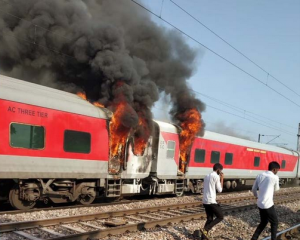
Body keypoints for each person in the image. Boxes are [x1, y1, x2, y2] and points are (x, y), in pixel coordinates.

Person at [251, 161, 280, 240]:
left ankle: (254, 238)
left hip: (260, 203)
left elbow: (253, 189)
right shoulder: (275, 177)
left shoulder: (259, 175)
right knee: (274, 222)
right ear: (274, 169)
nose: (277, 172)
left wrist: (257, 196)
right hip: (268, 204)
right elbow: (277, 189)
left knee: (264, 222)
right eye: (277, 170)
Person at [194, 163, 224, 239]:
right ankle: (205, 229)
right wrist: (222, 178)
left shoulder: (206, 176)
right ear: (218, 170)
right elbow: (220, 190)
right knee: (220, 217)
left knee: (210, 219)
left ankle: (203, 237)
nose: (220, 173)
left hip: (205, 201)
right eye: (220, 171)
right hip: (211, 201)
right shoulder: (216, 176)